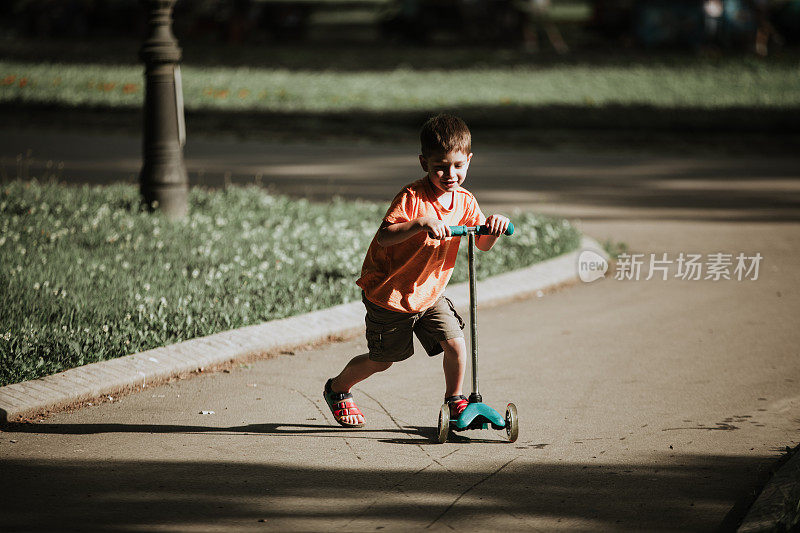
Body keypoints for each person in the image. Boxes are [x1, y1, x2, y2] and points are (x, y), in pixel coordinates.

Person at [323, 114, 511, 428]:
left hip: (429, 294)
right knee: (382, 361)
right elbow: (385, 235)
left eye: (458, 165)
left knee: (455, 343)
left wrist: (494, 226)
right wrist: (419, 224)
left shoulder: (465, 201)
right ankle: (338, 388)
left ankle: (456, 401)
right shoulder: (412, 198)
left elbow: (482, 244)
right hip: (391, 296)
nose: (450, 174)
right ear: (424, 163)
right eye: (440, 166)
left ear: (468, 161)